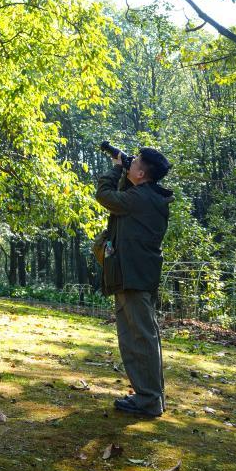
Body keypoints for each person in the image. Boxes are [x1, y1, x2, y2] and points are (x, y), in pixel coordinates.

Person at [94, 146, 173, 418]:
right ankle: (149, 397)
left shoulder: (139, 198)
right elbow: (122, 199)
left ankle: (149, 401)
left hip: (133, 277)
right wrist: (125, 171)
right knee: (141, 337)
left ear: (141, 174)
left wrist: (116, 168)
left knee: (139, 339)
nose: (130, 163)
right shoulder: (147, 196)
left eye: (134, 162)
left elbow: (104, 195)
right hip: (137, 275)